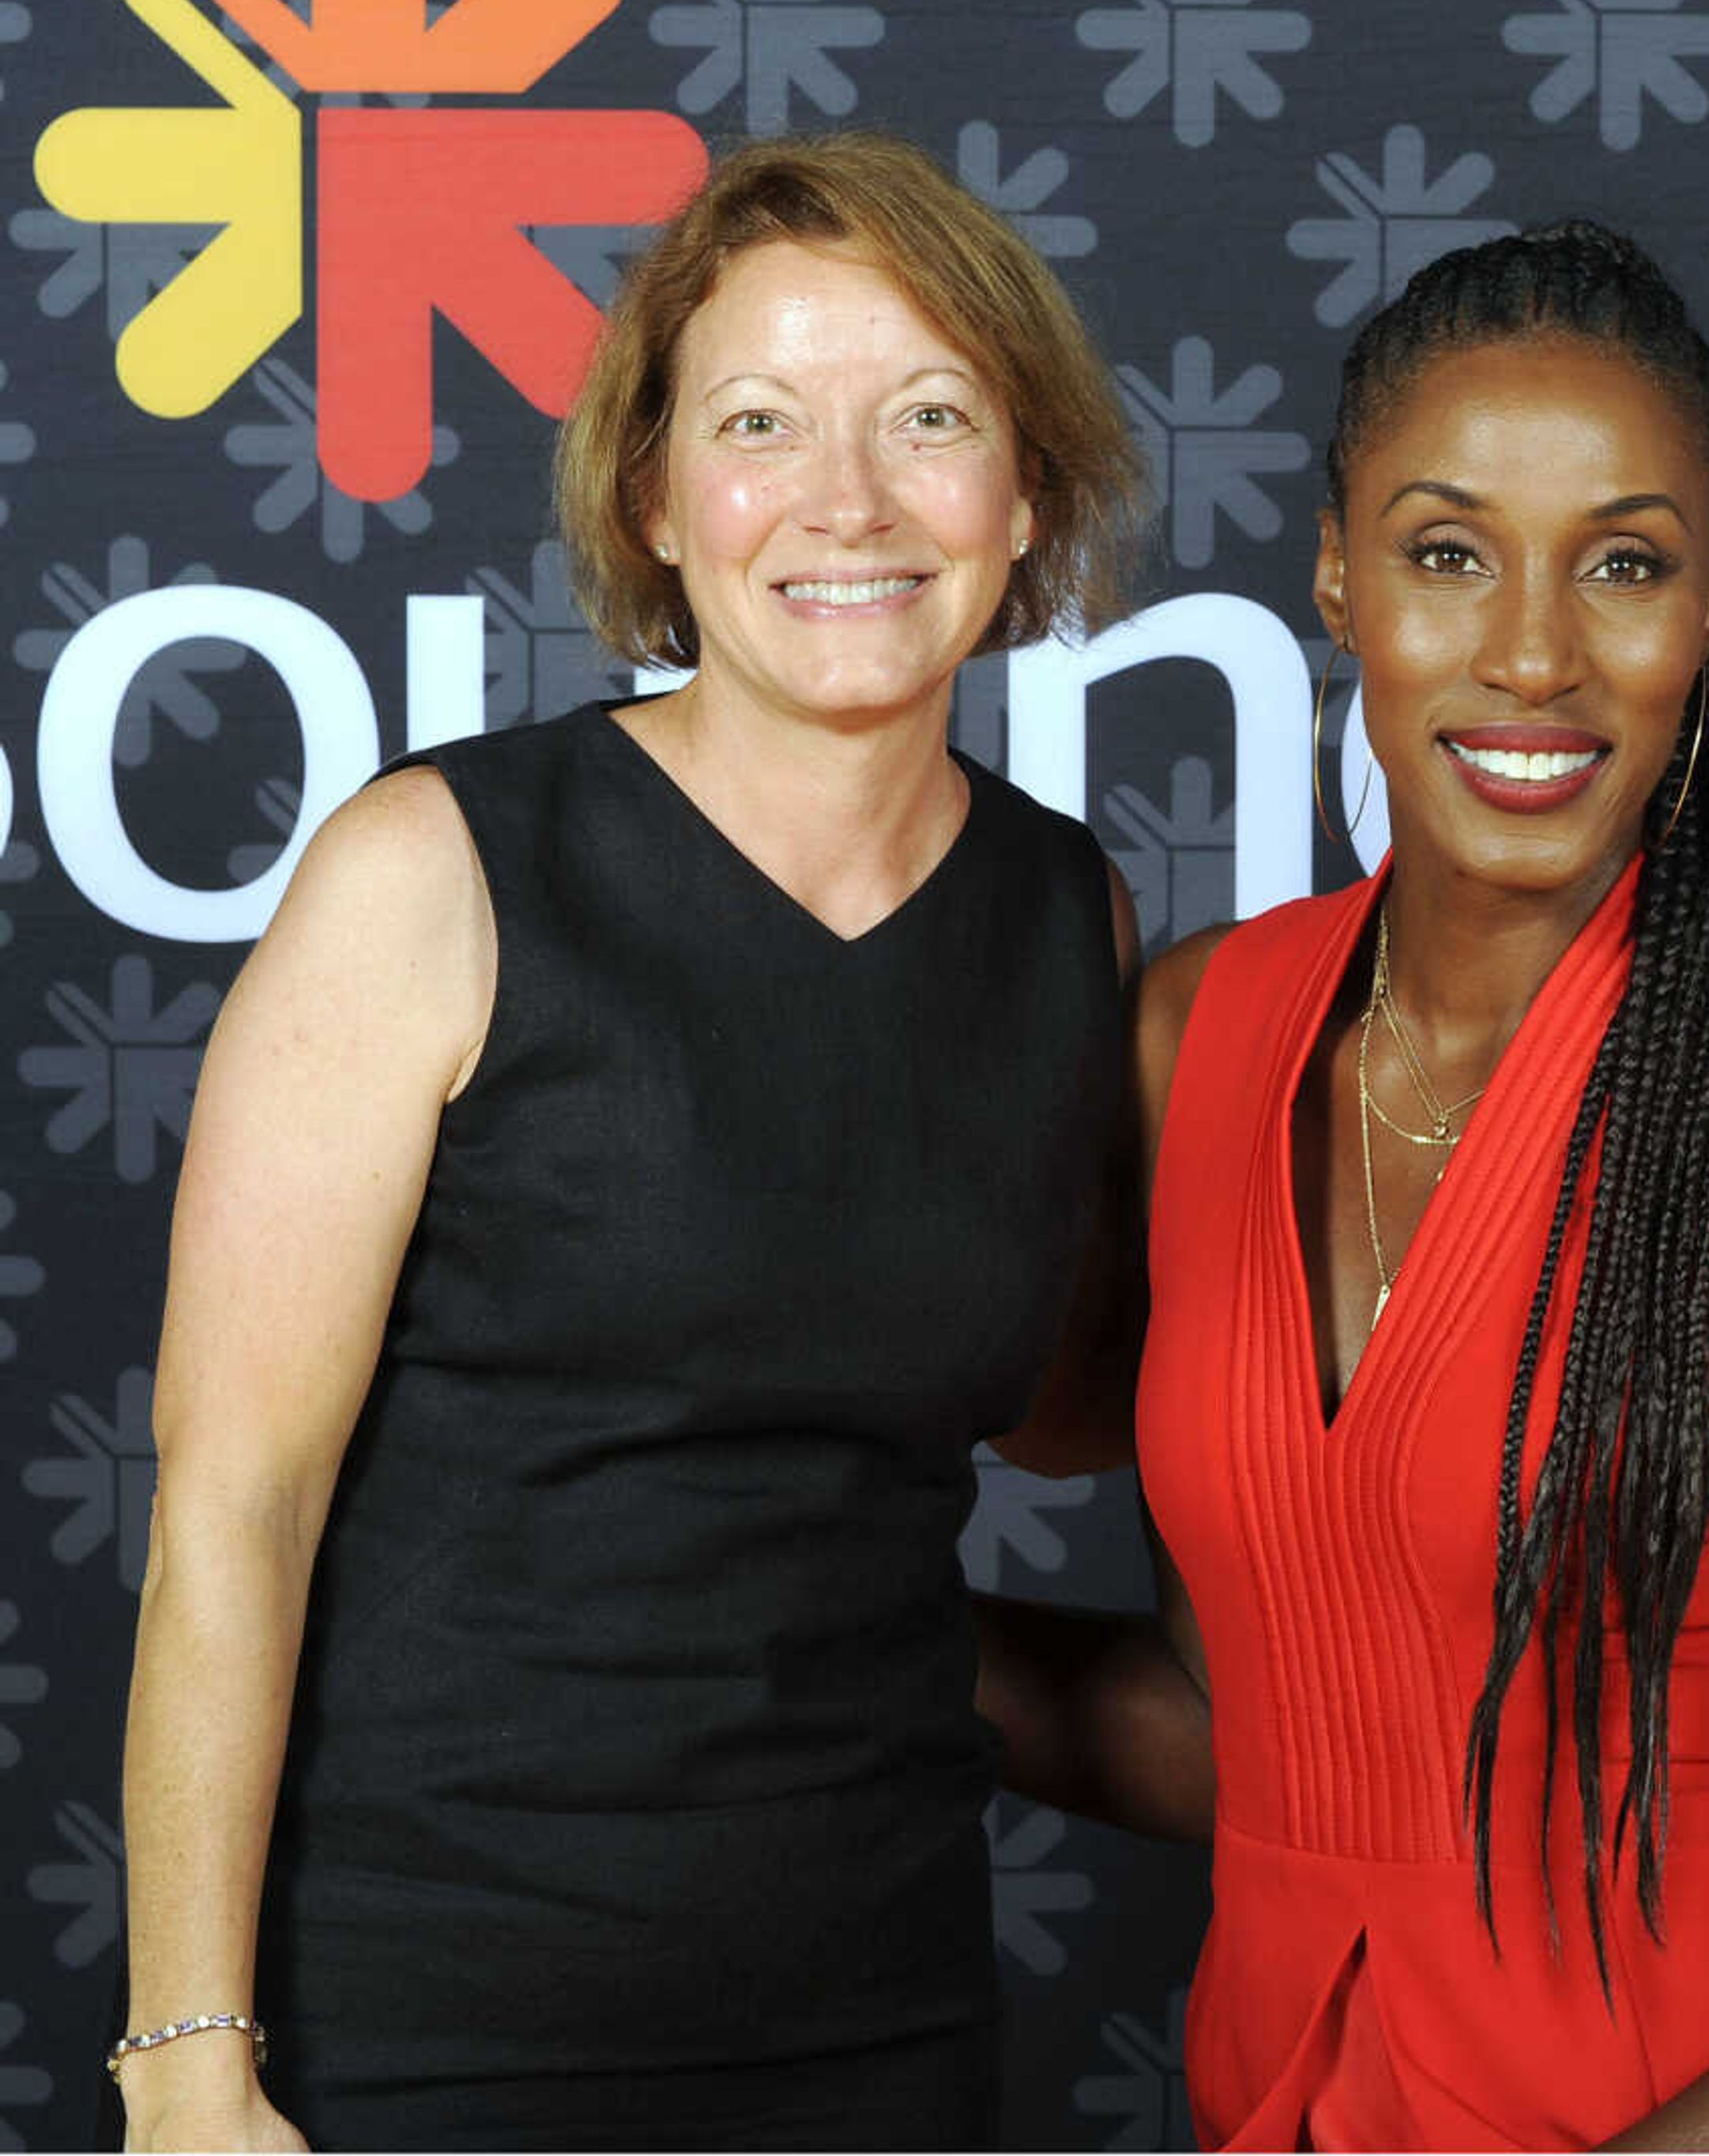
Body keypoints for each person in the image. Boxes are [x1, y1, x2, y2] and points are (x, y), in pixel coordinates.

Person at [981, 222, 1709, 2148]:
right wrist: (802, 1635)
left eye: (1623, 563)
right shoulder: (1198, 1038)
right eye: (1447, 553)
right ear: (1336, 577)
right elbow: (1272, 1745)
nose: (1532, 651)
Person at [112, 130, 1150, 2151]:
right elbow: (237, 1504)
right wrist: (188, 2067)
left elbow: (1057, 1412)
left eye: (929, 418)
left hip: (882, 2015)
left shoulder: (1065, 915)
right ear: (657, 496)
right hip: (428, 2021)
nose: (846, 501)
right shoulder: (435, 877)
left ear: (1025, 490)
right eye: (761, 423)